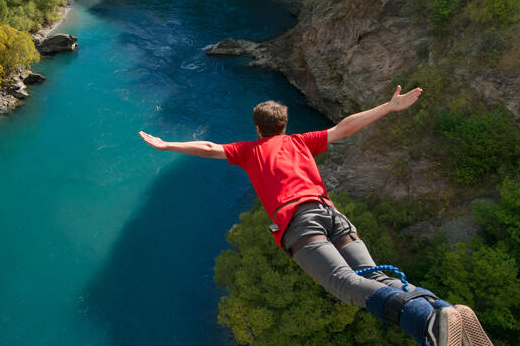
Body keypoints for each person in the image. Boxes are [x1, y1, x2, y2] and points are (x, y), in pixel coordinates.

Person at [138, 86, 493, 346]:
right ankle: (440, 309)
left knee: (345, 284)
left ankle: (428, 322)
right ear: (284, 124)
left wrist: (167, 145)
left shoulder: (249, 151)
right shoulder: (300, 142)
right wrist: (387, 106)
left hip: (300, 224)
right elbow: (344, 128)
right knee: (376, 276)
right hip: (331, 215)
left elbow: (210, 148)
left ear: (258, 128)